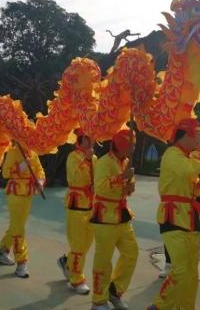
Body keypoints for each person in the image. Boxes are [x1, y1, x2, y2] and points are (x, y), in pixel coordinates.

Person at [147, 118, 200, 310]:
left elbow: (189, 185)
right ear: (187, 135)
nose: (198, 138)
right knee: (181, 269)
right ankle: (159, 306)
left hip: (189, 216)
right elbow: (189, 170)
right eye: (196, 135)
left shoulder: (185, 156)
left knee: (191, 272)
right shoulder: (172, 154)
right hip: (173, 216)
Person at [90, 129, 138, 310]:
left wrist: (129, 186)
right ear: (122, 144)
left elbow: (123, 190)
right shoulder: (103, 162)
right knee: (103, 260)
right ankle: (98, 300)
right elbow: (100, 188)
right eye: (131, 144)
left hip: (122, 215)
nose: (133, 148)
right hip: (105, 217)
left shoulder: (125, 162)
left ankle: (115, 290)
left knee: (131, 253)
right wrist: (121, 178)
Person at [0, 141, 45, 278]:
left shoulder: (33, 153)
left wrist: (40, 180)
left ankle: (2, 250)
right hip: (15, 193)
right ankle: (21, 262)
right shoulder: (12, 152)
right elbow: (5, 173)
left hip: (28, 194)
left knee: (17, 225)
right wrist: (21, 166)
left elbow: (39, 169)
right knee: (19, 229)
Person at [57, 129, 97, 294]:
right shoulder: (73, 157)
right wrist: (85, 160)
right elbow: (73, 179)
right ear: (80, 140)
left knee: (87, 242)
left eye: (91, 139)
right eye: (87, 139)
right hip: (76, 204)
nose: (90, 142)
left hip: (91, 204)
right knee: (78, 243)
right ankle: (76, 278)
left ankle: (68, 263)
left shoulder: (95, 158)